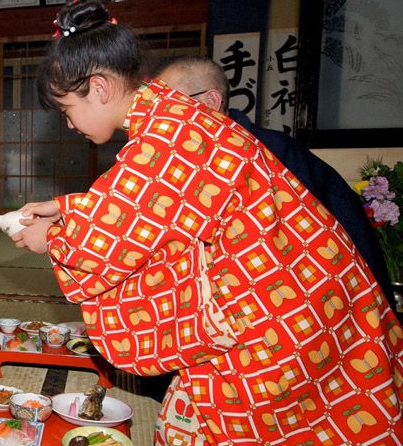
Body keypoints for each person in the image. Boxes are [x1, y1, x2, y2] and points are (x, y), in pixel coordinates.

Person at [12, 0, 403, 446]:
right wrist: (64, 208)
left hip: (275, 309)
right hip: (307, 280)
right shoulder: (173, 116)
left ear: (99, 89)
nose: (70, 124)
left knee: (186, 444)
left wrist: (52, 239)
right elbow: (135, 204)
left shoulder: (161, 139)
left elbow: (112, 237)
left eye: (68, 110)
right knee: (198, 418)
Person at [157, 56, 394, 298]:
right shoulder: (190, 163)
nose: (163, 119)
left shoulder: (272, 154)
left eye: (172, 107)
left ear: (211, 101)